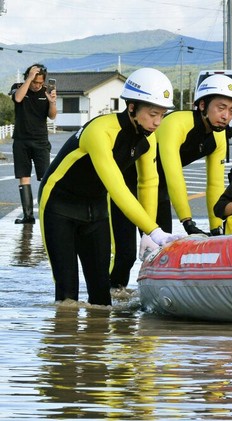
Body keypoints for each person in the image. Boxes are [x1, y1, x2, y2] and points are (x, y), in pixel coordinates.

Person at [38, 68, 181, 306]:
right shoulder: (100, 131)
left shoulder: (149, 137)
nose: (158, 122)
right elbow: (116, 186)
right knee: (67, 299)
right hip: (58, 205)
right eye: (153, 114)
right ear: (132, 107)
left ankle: (98, 342)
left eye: (163, 115)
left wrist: (147, 233)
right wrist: (155, 230)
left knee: (102, 299)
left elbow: (148, 183)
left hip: (95, 208)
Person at [108, 74, 232, 289]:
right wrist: (188, 222)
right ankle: (110, 304)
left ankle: (147, 304)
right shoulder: (176, 123)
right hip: (127, 188)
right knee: (125, 255)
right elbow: (173, 173)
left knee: (161, 253)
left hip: (157, 191)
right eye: (221, 108)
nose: (226, 116)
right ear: (203, 105)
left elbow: (215, 185)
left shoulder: (218, 137)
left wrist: (217, 229)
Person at [10, 63, 57, 224]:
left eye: (39, 82)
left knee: (45, 178)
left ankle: (48, 216)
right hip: (21, 141)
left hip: (41, 141)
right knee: (23, 177)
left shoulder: (46, 92)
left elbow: (52, 116)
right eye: (34, 82)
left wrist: (52, 102)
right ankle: (28, 216)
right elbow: (18, 98)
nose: (37, 86)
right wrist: (29, 79)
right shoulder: (18, 87)